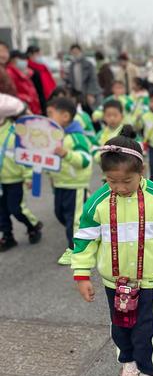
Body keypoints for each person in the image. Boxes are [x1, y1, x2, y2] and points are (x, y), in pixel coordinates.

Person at [72, 125, 153, 376]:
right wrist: (81, 274)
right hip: (115, 280)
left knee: (147, 328)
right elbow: (84, 240)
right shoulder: (96, 202)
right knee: (120, 326)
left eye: (127, 181)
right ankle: (129, 362)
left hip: (148, 279)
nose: (120, 188)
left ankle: (149, 373)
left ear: (141, 171)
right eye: (112, 181)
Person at [47, 97, 92, 265]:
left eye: (50, 114)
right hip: (60, 183)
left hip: (75, 184)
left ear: (65, 116)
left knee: (74, 219)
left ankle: (75, 249)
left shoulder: (76, 137)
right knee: (61, 214)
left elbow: (85, 160)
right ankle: (91, 231)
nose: (47, 118)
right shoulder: (54, 136)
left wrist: (66, 154)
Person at [0, 94, 43, 251]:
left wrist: (28, 176)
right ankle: (7, 236)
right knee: (2, 211)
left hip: (16, 179)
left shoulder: (16, 131)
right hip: (1, 181)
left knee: (16, 208)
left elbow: (26, 155)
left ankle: (33, 226)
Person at [66, 44, 101, 114]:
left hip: (87, 93)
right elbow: (70, 81)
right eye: (73, 52)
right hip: (77, 94)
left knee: (91, 113)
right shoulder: (71, 65)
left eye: (76, 52)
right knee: (79, 114)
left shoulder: (88, 64)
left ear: (80, 51)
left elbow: (93, 79)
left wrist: (91, 93)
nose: (75, 54)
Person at [6, 50, 41, 114]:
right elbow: (11, 93)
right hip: (23, 109)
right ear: (13, 60)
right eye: (21, 59)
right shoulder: (9, 73)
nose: (24, 62)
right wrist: (27, 99)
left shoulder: (21, 72)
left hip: (30, 108)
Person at [26, 45, 57, 114]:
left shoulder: (42, 67)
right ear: (30, 54)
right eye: (37, 54)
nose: (39, 56)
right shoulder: (28, 68)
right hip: (39, 100)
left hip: (48, 98)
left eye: (40, 54)